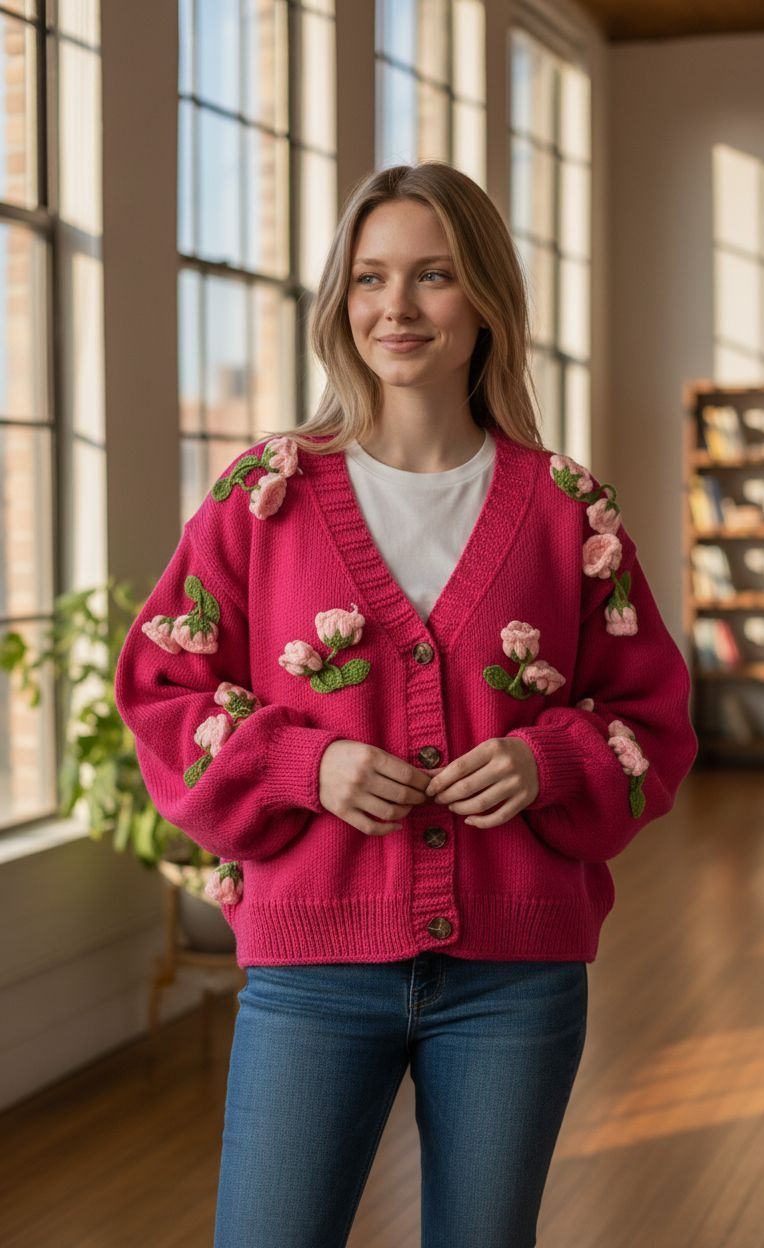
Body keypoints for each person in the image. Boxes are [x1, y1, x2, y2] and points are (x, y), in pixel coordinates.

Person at [114, 160, 698, 1248]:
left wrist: (550, 761)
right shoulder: (265, 496)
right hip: (310, 967)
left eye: (432, 276)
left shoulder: (569, 507)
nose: (396, 306)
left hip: (515, 976)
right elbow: (162, 684)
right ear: (340, 300)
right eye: (371, 277)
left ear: (482, 298)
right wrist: (304, 764)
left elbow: (650, 713)